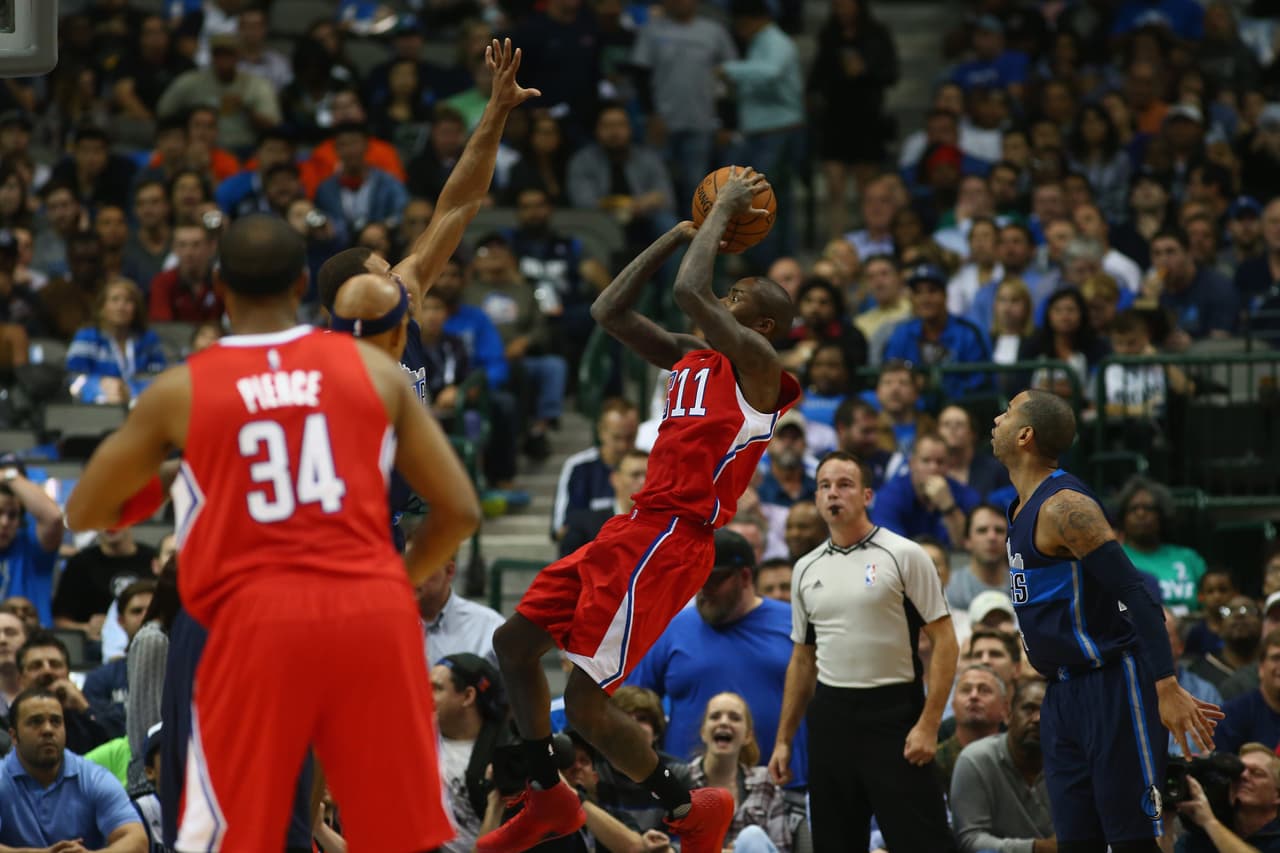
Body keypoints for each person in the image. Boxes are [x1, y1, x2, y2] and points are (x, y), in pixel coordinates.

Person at [62, 214, 481, 850]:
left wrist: (174, 474)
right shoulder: (372, 372)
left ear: (221, 288)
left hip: (251, 624)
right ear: (301, 287)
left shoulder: (182, 389)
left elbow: (85, 511)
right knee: (392, 834)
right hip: (366, 614)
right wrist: (397, 581)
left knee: (233, 834)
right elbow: (459, 511)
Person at [478, 167, 799, 853]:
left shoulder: (759, 366)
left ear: (762, 323)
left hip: (673, 537)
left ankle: (688, 807)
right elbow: (608, 312)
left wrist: (721, 215)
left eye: (737, 294)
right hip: (633, 527)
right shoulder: (692, 356)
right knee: (514, 645)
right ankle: (547, 793)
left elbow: (690, 289)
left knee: (588, 703)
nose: (724, 292)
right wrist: (676, 232)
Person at [991, 389, 1222, 851]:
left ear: (1026, 434)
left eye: (1007, 412)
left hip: (1113, 685)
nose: (996, 419)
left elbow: (1137, 595)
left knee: (1134, 838)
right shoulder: (1017, 508)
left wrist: (1166, 686)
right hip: (1060, 692)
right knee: (1076, 841)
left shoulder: (1065, 506)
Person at [770, 451, 958, 852]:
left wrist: (928, 723)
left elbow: (945, 642)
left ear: (867, 495)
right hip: (831, 718)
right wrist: (784, 739)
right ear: (816, 497)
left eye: (844, 485)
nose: (833, 494)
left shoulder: (903, 554)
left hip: (895, 715)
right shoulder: (805, 567)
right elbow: (802, 660)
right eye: (824, 486)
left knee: (924, 842)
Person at [627, 529, 806, 785]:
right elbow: (633, 703)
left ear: (744, 576)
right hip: (687, 788)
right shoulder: (672, 628)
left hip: (782, 785)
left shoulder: (792, 623)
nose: (703, 589)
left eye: (713, 580)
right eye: (696, 579)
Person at [0, 687, 147, 852]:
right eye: (36, 721)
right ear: (13, 736)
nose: (48, 730)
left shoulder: (93, 777)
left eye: (55, 721)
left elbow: (137, 840)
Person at [950, 677, 1056, 853]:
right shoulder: (976, 760)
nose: (1037, 718)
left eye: (1047, 711)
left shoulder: (1071, 764)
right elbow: (970, 841)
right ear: (1008, 714)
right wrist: (1036, 848)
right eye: (1029, 709)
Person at [687, 692, 798, 853]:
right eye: (715, 716)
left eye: (734, 718)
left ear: (747, 736)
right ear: (703, 732)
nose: (724, 722)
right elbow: (665, 844)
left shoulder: (765, 782)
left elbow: (782, 848)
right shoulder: (682, 780)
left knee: (752, 837)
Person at [1177, 743, 1280, 853]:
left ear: (1278, 795)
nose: (1243, 776)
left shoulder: (1210, 825)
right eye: (1239, 771)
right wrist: (1165, 821)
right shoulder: (1204, 835)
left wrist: (1210, 822)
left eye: (1257, 773)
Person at [0, 456, 63, 627]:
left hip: (33, 643)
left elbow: (54, 517)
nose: (5, 522)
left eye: (12, 515)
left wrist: (8, 474)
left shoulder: (32, 548)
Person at [933, 662, 1009, 791]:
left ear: (1005, 708)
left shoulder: (1016, 760)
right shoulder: (934, 763)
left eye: (984, 690)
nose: (973, 696)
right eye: (966, 690)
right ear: (953, 704)